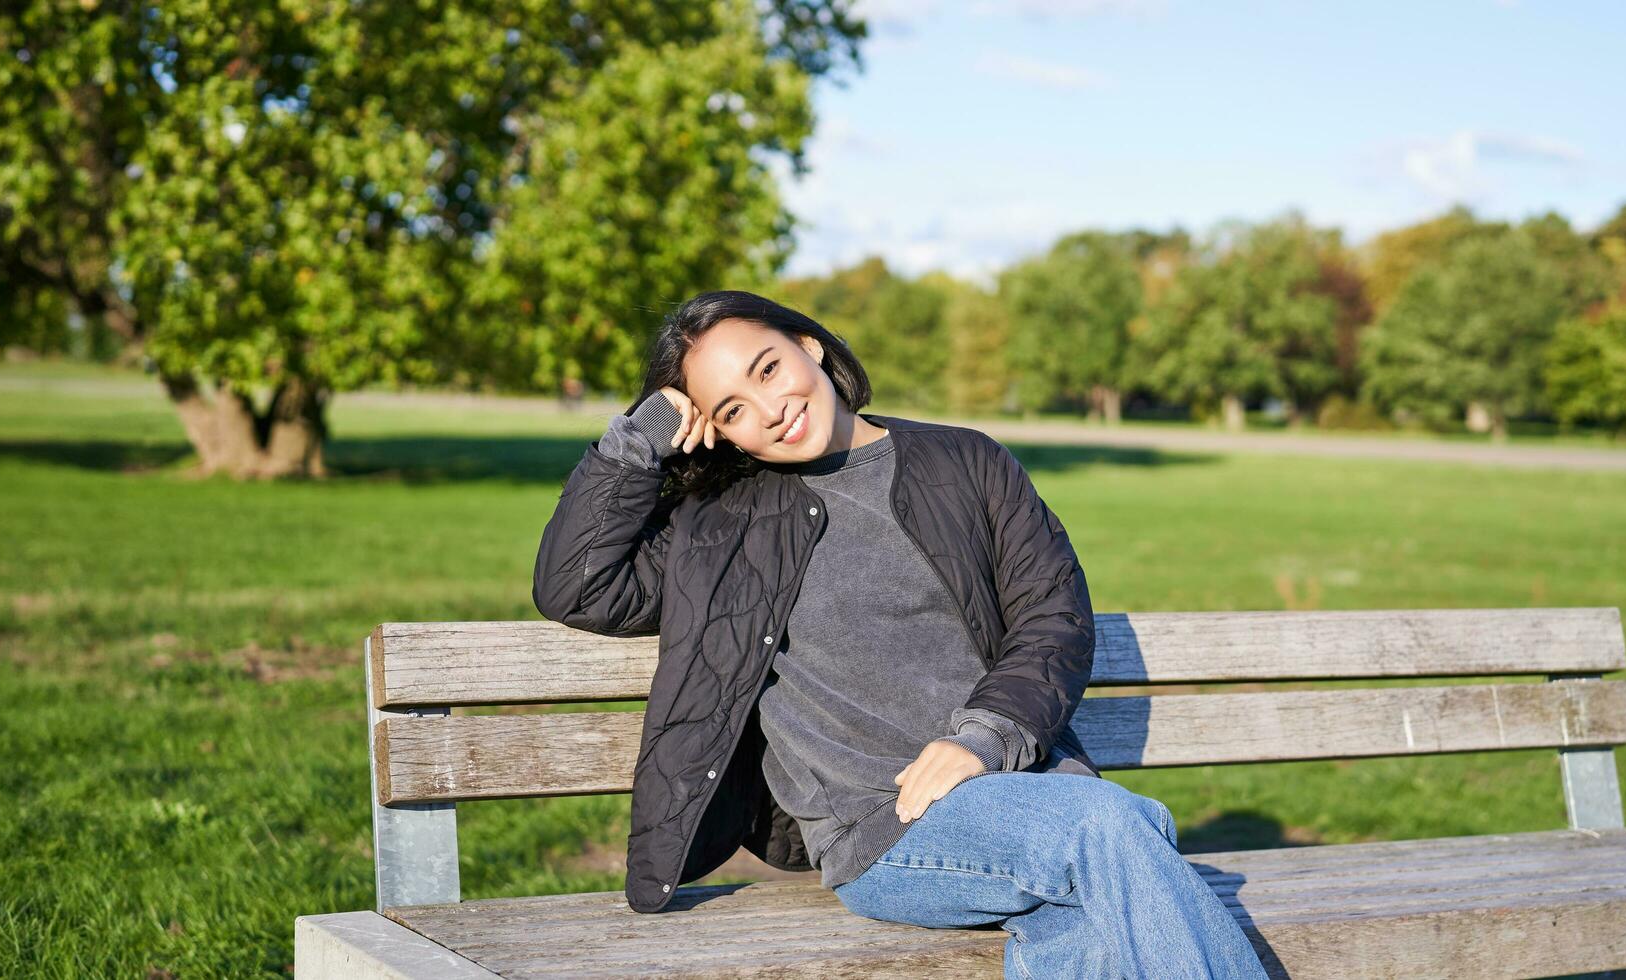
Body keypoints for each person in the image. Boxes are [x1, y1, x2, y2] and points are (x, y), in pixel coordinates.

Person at [532, 290, 1269, 978]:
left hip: (1028, 792)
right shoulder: (723, 525)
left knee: (1078, 921)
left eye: (769, 368)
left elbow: (1052, 617)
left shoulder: (965, 462)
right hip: (885, 830)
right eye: (731, 408)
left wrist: (980, 739)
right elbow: (578, 587)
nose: (770, 407)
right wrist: (637, 441)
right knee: (1113, 830)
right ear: (716, 431)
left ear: (809, 347)